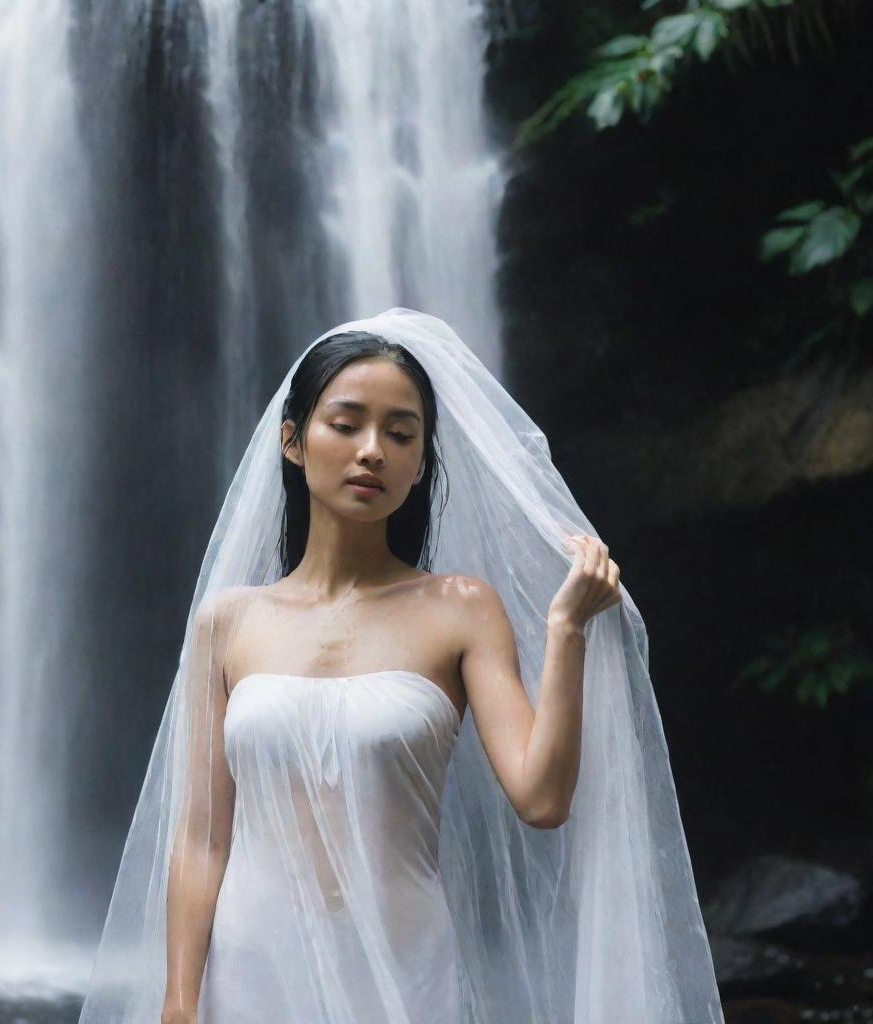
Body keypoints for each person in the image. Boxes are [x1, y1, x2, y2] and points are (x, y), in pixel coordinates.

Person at [77, 309, 725, 1024]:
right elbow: (202, 839)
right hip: (253, 965)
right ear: (293, 441)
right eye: (347, 423)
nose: (372, 451)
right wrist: (179, 1000)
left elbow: (542, 800)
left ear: (420, 465)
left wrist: (567, 629)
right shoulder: (228, 623)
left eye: (400, 433)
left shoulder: (461, 610)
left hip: (404, 967)